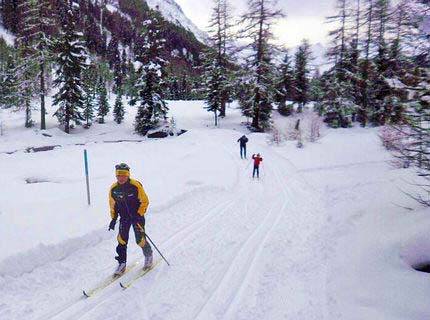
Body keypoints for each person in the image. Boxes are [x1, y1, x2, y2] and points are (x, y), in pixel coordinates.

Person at [108, 163, 153, 275]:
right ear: (116, 176)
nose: (121, 177)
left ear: (128, 175)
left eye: (124, 175)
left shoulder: (135, 185)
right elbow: (112, 205)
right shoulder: (114, 189)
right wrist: (113, 219)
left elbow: (145, 201)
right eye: (119, 175)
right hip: (124, 218)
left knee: (140, 239)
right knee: (121, 240)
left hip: (137, 217)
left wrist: (139, 214)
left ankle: (148, 255)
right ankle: (122, 263)